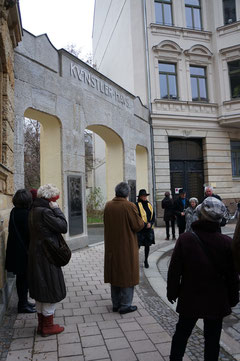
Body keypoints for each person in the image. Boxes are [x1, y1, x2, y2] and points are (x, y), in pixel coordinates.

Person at [167, 197, 239, 361]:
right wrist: (233, 297)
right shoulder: (226, 243)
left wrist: (172, 292)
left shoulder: (186, 239)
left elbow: (174, 270)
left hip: (190, 296)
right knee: (212, 340)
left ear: (199, 215)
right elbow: (233, 276)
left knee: (182, 334)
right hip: (217, 299)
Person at [28, 184, 67, 337]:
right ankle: (48, 326)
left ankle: (41, 325)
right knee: (50, 289)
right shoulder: (45, 212)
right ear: (50, 199)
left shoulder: (33, 210)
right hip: (47, 256)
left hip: (35, 254)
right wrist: (57, 209)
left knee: (40, 290)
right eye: (55, 198)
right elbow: (63, 226)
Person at [104, 182, 145, 314]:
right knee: (127, 274)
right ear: (127, 193)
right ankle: (126, 305)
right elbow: (138, 225)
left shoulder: (108, 205)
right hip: (126, 246)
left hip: (112, 245)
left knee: (115, 273)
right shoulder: (129, 206)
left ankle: (115, 303)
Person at [5, 189, 36, 314]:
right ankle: (22, 305)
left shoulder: (14, 211)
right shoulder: (26, 214)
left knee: (21, 278)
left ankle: (23, 302)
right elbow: (29, 234)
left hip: (16, 250)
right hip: (23, 252)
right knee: (23, 279)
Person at [136, 189, 155, 268]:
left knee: (147, 246)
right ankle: (135, 261)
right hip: (140, 229)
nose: (144, 197)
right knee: (137, 246)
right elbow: (136, 217)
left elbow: (153, 215)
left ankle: (146, 260)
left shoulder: (149, 204)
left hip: (148, 229)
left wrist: (150, 223)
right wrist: (144, 224)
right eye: (143, 196)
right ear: (140, 197)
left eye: (145, 196)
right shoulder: (136, 205)